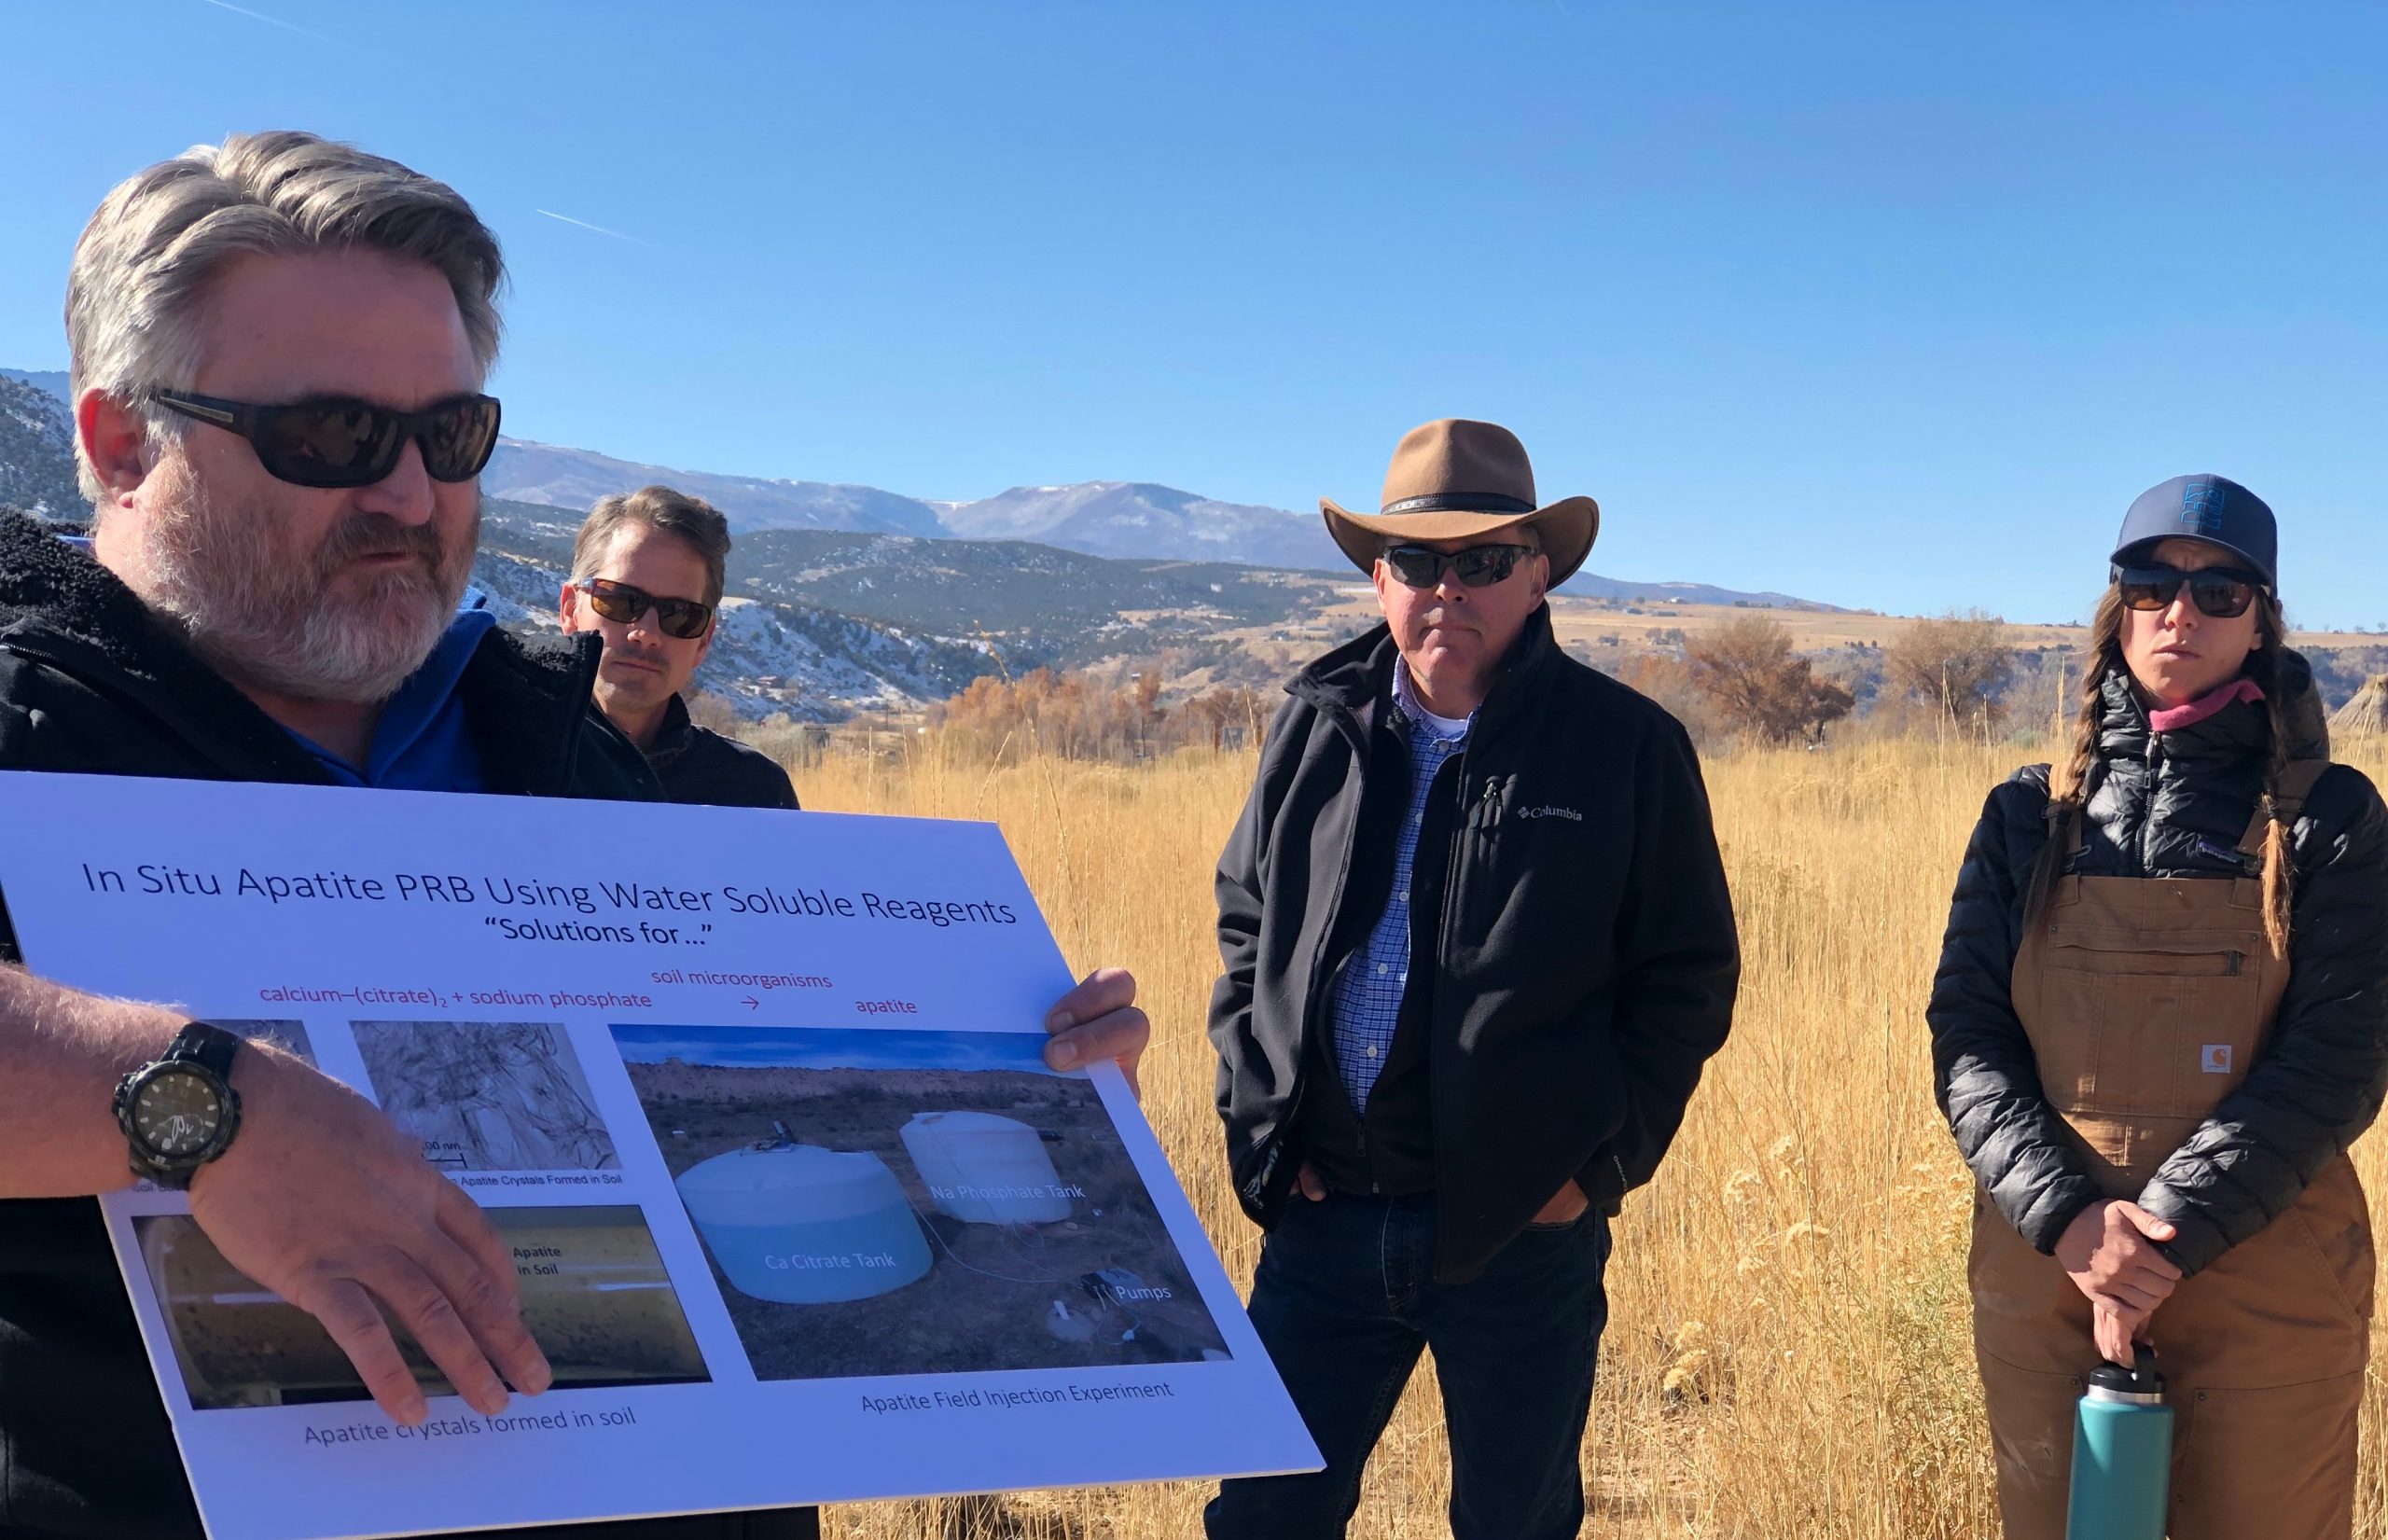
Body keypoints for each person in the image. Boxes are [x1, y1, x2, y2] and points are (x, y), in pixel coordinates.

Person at [0, 130, 1147, 1540]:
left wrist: (1026, 1067)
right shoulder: (24, 720)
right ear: (123, 441)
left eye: (449, 435)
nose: (410, 497)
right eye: (332, 437)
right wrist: (191, 1105)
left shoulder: (561, 739)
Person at [1202, 418, 1742, 1539]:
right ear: (1377, 575)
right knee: (1263, 1520)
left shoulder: (1622, 748)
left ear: (1537, 574)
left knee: (1515, 1522)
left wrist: (1591, 1169)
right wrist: (1264, 1122)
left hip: (1519, 1232)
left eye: (1483, 561)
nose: (1447, 587)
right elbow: (1249, 925)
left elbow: (1684, 978)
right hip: (1325, 1216)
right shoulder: (1314, 728)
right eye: (1417, 561)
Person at [1930, 474, 2388, 1539]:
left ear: (2262, 620)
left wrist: (2164, 1230)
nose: (2178, 610)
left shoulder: (2330, 819)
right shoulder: (2025, 816)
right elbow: (1967, 1037)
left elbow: (2341, 1054)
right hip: (2048, 1265)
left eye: (2219, 590)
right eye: (2150, 582)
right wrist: (2069, 1217)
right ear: (2116, 606)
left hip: (2266, 1275)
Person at [558, 483, 799, 809]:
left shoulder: (753, 793)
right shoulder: (493, 757)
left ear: (703, 641)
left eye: (680, 614)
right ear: (571, 610)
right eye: (621, 601)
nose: (646, 633)